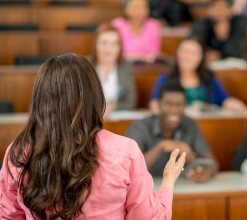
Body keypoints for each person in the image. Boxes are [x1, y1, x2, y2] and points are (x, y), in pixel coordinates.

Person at [0, 54, 185, 219]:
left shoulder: (17, 153)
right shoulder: (125, 152)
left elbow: (9, 216)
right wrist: (168, 180)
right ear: (95, 96)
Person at [127, 82, 219, 183]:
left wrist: (207, 172)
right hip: (147, 188)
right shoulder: (138, 128)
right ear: (159, 105)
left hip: (180, 187)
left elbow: (213, 163)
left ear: (185, 106)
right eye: (168, 104)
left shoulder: (190, 125)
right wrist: (162, 146)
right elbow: (131, 169)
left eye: (179, 104)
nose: (174, 110)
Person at [149, 37, 247, 113]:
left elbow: (225, 100)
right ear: (177, 54)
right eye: (185, 51)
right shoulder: (166, 78)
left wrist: (234, 104)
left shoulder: (209, 79)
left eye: (194, 53)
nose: (188, 57)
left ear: (201, 58)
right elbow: (154, 104)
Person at [88, 23, 137, 118]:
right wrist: (99, 111)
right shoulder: (85, 65)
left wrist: (111, 109)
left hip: (115, 120)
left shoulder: (125, 66)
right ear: (95, 44)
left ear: (120, 47)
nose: (109, 49)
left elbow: (131, 101)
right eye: (104, 43)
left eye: (114, 44)